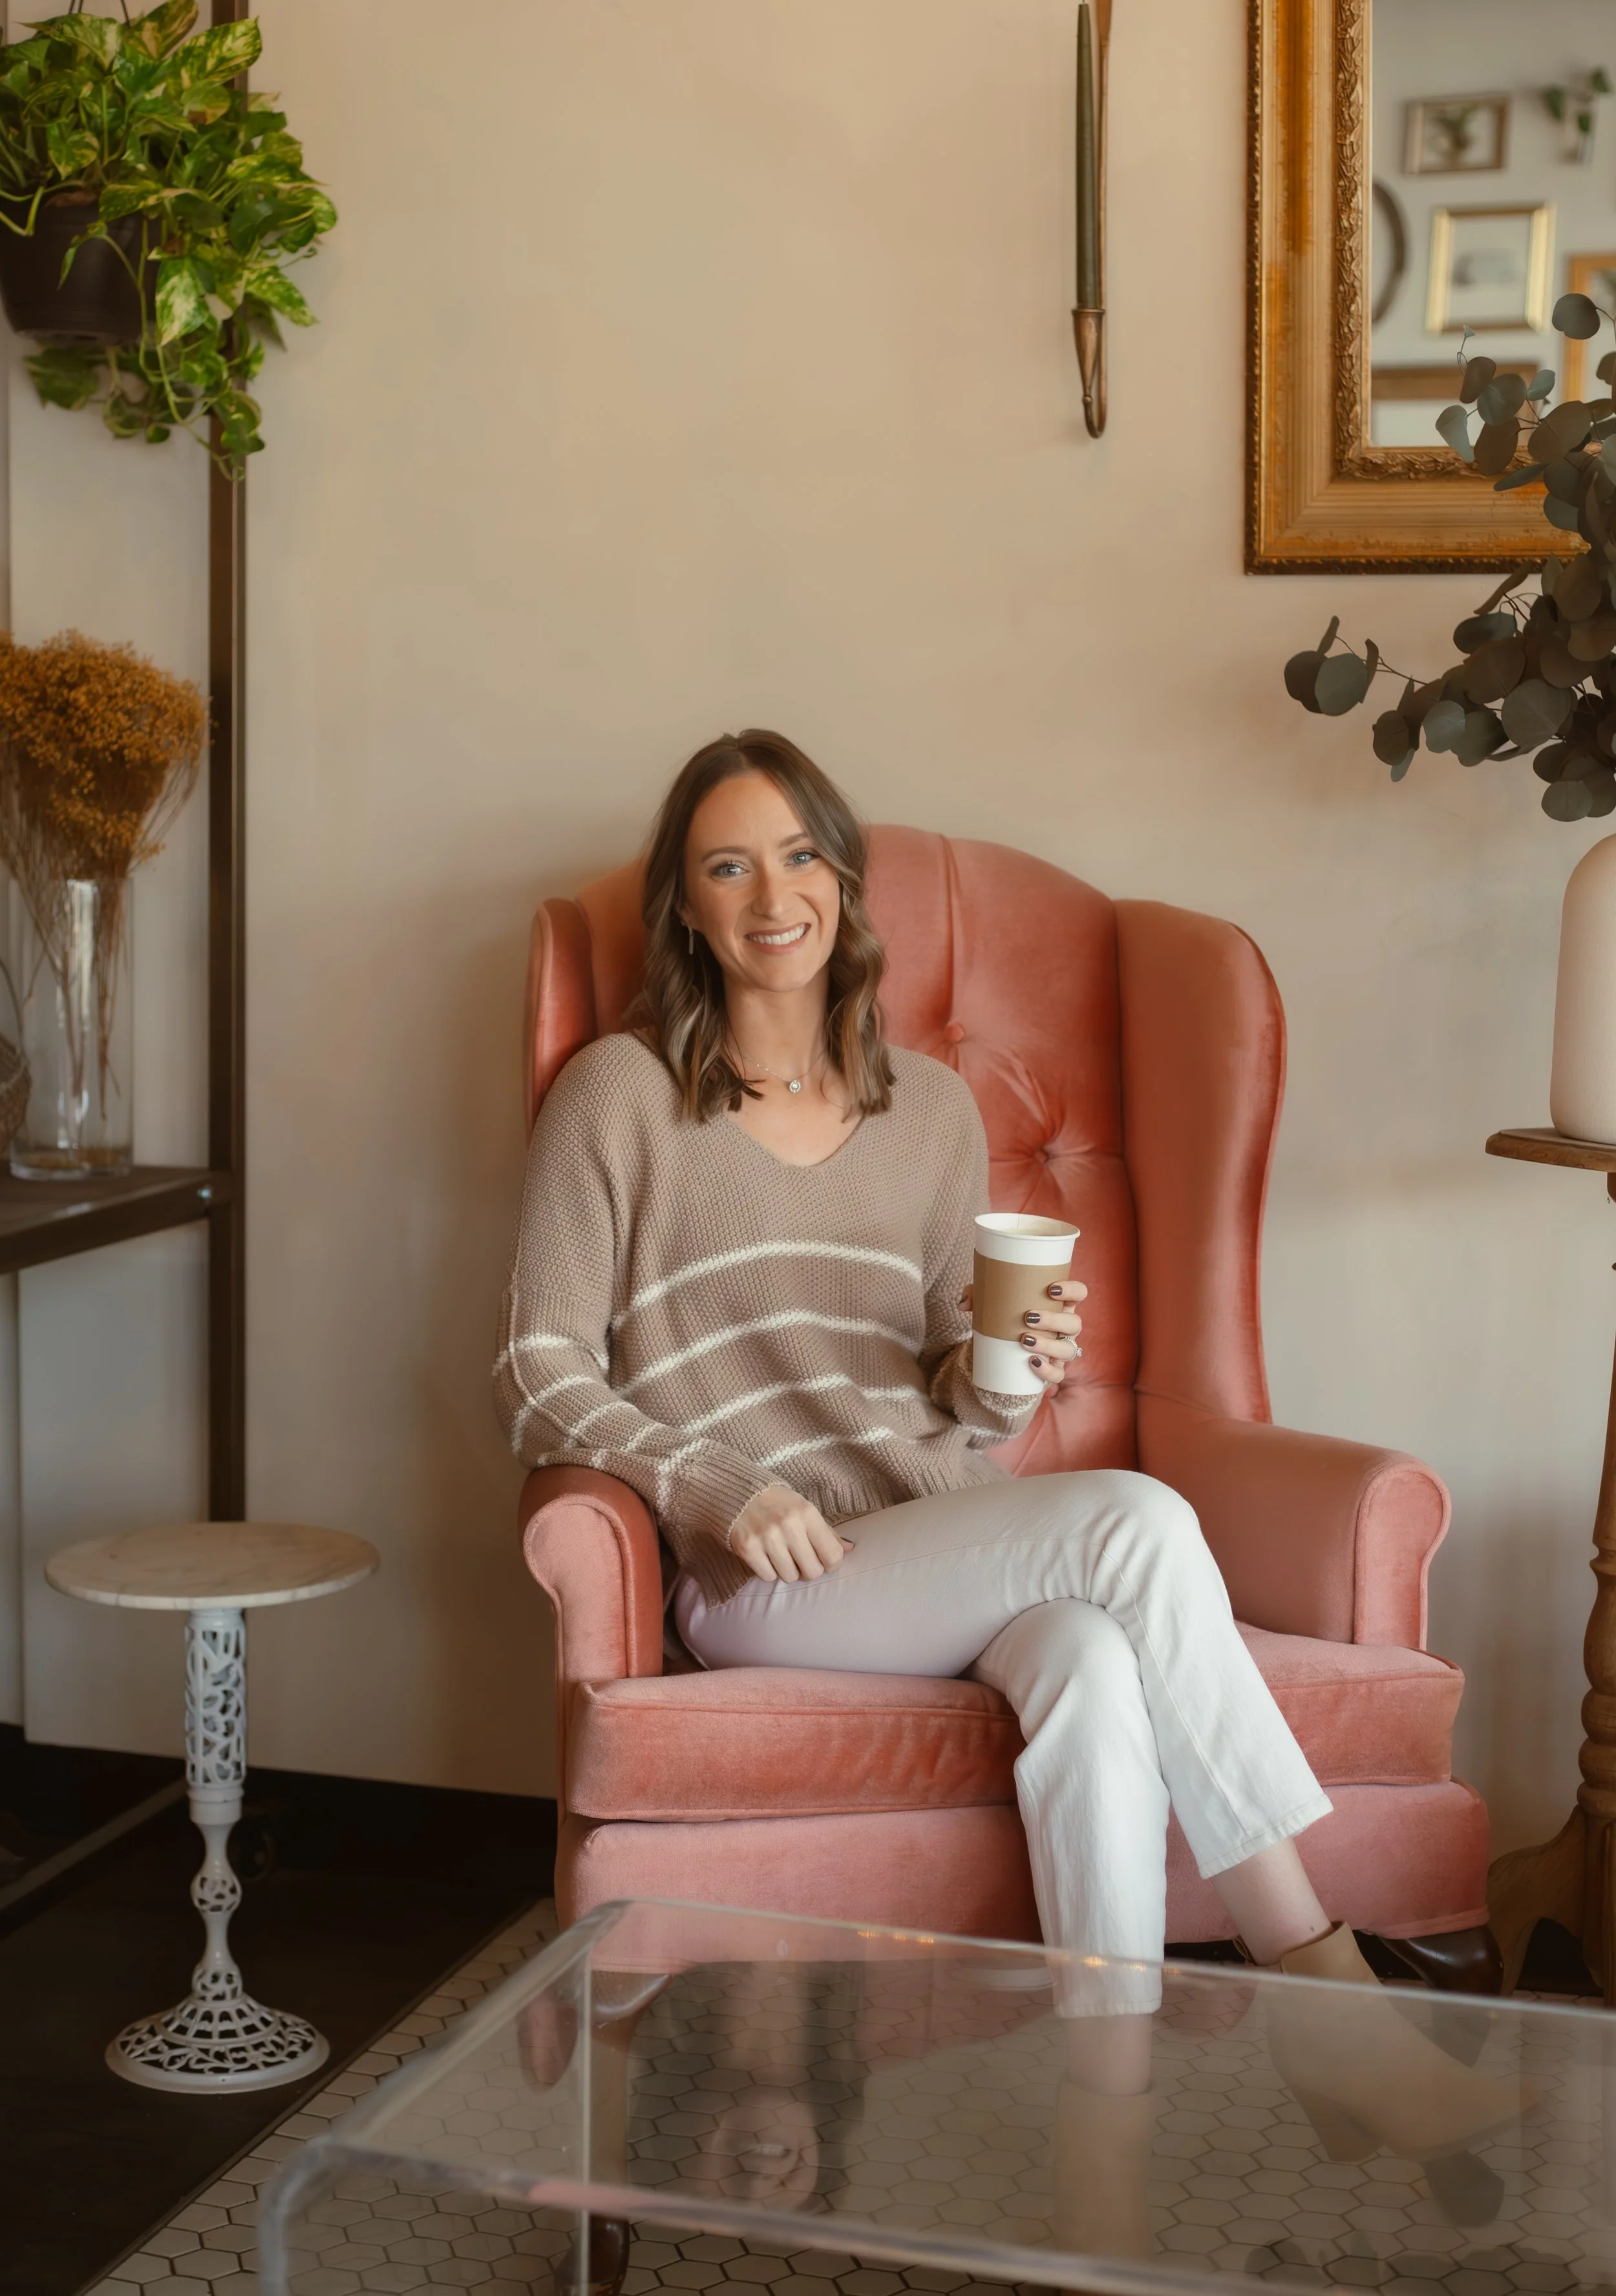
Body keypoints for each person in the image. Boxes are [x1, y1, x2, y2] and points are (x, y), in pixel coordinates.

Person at [496, 729, 1518, 2254]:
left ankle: (1094, 2158)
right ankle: (1322, 1991)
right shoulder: (622, 1095)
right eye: (727, 864)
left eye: (796, 856)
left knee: (1099, 1666)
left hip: (912, 1541)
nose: (770, 892)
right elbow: (534, 1369)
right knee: (1135, 1523)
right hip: (761, 1577)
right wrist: (706, 1480)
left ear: (841, 883)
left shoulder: (926, 1111)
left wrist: (1014, 1367)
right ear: (686, 908)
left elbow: (948, 1406)